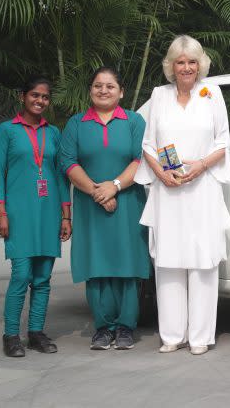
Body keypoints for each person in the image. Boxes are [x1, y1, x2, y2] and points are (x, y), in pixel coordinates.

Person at [134, 35, 230, 356]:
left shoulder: (212, 93)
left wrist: (201, 166)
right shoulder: (159, 96)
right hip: (168, 189)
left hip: (202, 188)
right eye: (180, 62)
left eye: (192, 61)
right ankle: (172, 335)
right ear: (171, 66)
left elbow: (222, 142)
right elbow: (148, 145)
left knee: (203, 262)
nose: (187, 67)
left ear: (200, 64)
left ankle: (200, 336)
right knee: (169, 261)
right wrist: (162, 173)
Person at [60, 66, 150, 350]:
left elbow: (140, 160)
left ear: (121, 92)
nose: (103, 90)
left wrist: (114, 186)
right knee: (96, 265)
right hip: (90, 205)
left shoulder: (135, 121)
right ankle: (103, 327)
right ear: (90, 90)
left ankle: (125, 327)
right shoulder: (76, 124)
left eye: (110, 86)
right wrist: (98, 192)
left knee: (127, 263)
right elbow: (68, 162)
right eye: (98, 85)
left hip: (127, 202)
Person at [0, 77, 72, 357]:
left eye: (45, 97)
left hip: (48, 213)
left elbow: (62, 175)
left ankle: (36, 332)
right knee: (21, 275)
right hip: (19, 213)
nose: (40, 101)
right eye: (34, 95)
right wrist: (1, 211)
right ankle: (11, 335)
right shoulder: (6, 131)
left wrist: (66, 215)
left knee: (42, 278)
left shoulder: (54, 133)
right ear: (22, 96)